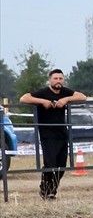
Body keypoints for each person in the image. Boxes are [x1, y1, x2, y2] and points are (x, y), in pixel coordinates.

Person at [19, 67, 87, 200]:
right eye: (55, 78)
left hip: (62, 133)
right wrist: (43, 101)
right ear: (50, 80)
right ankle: (45, 190)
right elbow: (24, 98)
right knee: (50, 164)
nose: (58, 81)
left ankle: (52, 191)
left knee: (61, 165)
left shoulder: (64, 92)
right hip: (47, 134)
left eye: (61, 78)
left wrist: (65, 100)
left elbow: (82, 97)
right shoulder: (43, 92)